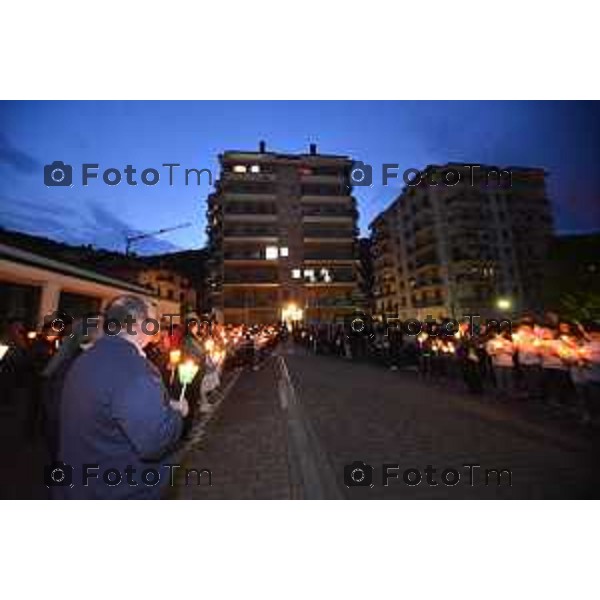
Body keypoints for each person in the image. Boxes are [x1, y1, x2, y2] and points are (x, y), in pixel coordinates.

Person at [58, 295, 187, 499]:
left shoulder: (88, 357)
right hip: (120, 488)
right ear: (137, 324)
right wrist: (177, 413)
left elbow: (110, 405)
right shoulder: (133, 368)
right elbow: (154, 442)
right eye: (154, 321)